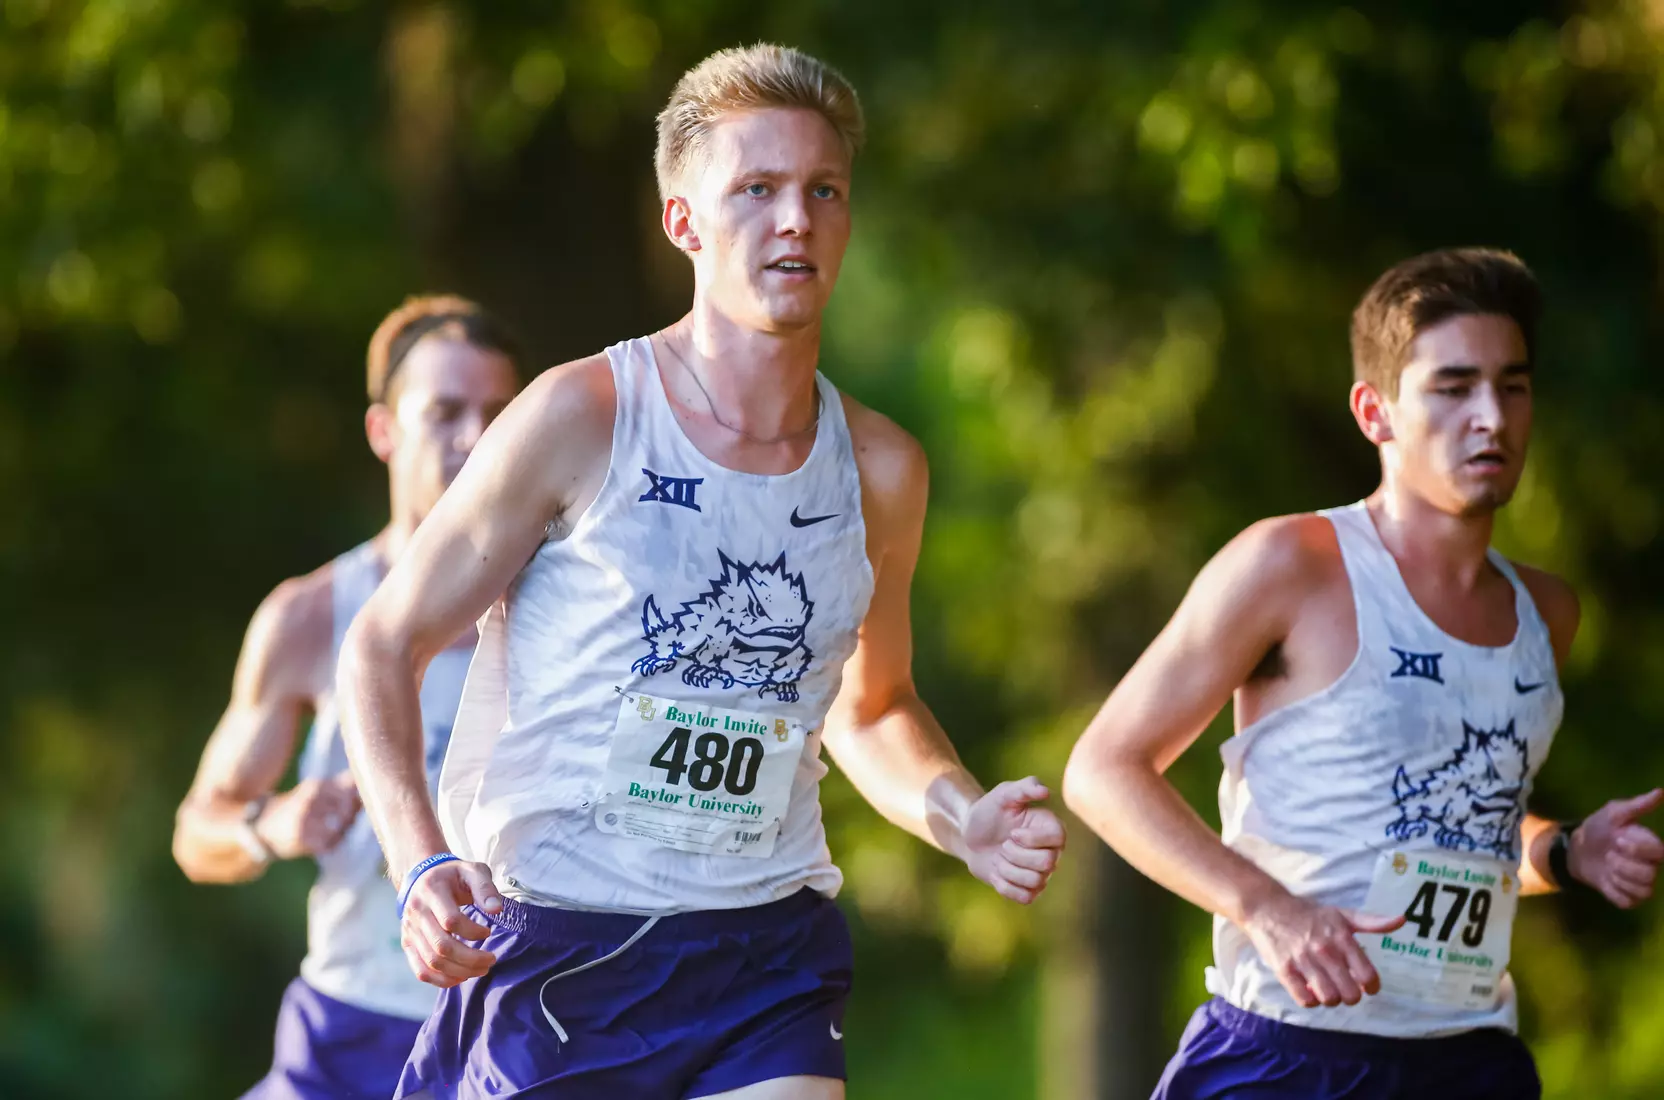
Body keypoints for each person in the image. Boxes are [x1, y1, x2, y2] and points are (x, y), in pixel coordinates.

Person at [337, 43, 1067, 1100]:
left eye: (823, 190)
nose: (794, 220)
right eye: (756, 189)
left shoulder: (882, 467)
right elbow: (381, 642)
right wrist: (419, 862)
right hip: (558, 954)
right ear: (683, 221)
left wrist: (960, 815)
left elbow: (871, 707)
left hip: (762, 955)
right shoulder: (579, 416)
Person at [1062, 247, 1664, 1099]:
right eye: (1453, 388)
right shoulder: (1289, 563)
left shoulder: (1547, 615)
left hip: (1471, 1062)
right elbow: (1102, 770)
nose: (1490, 416)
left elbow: (1462, 832)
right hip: (1285, 1055)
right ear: (1375, 412)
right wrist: (1265, 908)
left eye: (1513, 385)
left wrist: (1567, 852)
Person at [172, 295, 521, 1099]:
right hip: (348, 1029)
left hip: (512, 1031)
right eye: (444, 411)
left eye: (497, 413)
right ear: (383, 432)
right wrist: (272, 824)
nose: (473, 436)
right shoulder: (309, 616)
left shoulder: (572, 613)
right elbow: (199, 830)